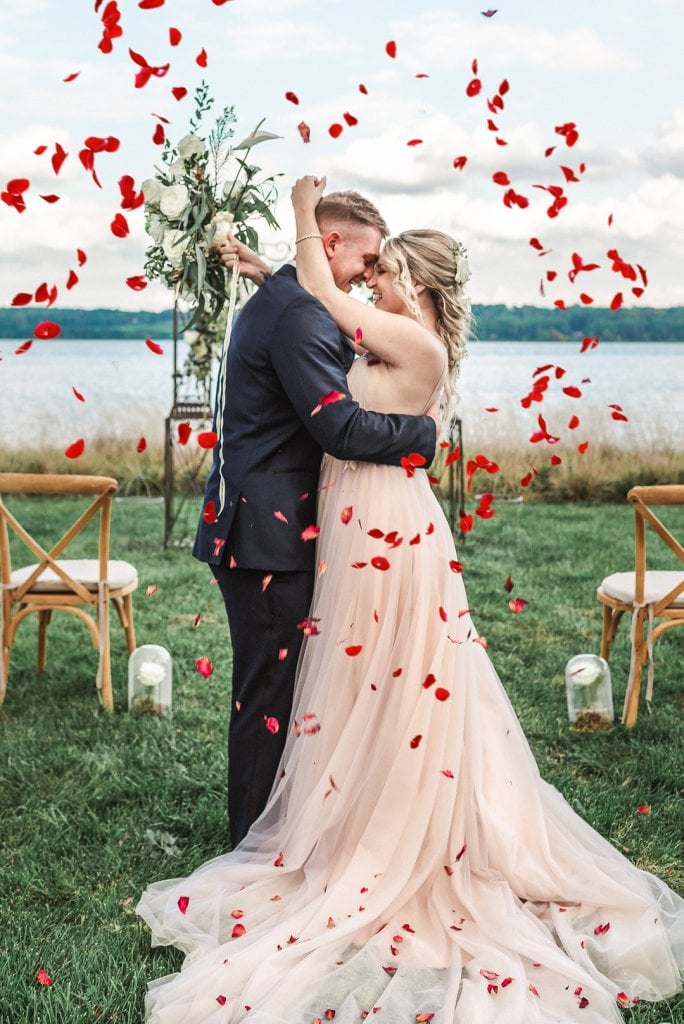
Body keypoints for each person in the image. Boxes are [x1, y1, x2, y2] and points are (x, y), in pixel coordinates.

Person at [137, 178, 683, 1023]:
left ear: (414, 285)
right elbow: (313, 305)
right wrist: (267, 265)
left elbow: (322, 313)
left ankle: (378, 835)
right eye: (365, 262)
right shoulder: (371, 320)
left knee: (390, 684)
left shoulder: (405, 339)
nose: (367, 281)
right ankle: (332, 823)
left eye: (382, 270)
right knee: (358, 687)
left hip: (384, 524)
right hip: (353, 523)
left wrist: (296, 215)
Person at [192, 188, 438, 847]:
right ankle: (249, 846)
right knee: (269, 696)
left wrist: (269, 265)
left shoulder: (284, 297)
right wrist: (424, 438)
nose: (367, 274)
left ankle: (274, 828)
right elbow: (337, 426)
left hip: (261, 526)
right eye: (364, 259)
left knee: (279, 691)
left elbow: (306, 290)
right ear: (329, 245)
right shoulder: (300, 314)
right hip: (267, 537)